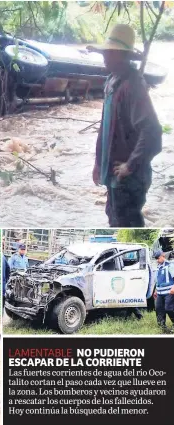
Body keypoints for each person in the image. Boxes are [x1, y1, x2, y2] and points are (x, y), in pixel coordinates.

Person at [89, 24, 162, 227]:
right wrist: (98, 163)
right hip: (113, 173)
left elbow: (152, 132)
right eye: (105, 51)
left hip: (128, 177)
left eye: (109, 52)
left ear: (122, 55)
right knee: (114, 218)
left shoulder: (133, 86)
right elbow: (105, 129)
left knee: (127, 223)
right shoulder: (112, 81)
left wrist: (130, 165)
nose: (105, 56)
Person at [154, 250, 174, 333]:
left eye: (158, 258)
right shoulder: (158, 267)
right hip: (159, 293)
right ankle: (162, 327)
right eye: (156, 259)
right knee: (159, 309)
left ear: (163, 256)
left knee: (169, 309)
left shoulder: (170, 265)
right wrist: (155, 290)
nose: (157, 260)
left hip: (169, 292)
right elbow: (157, 280)